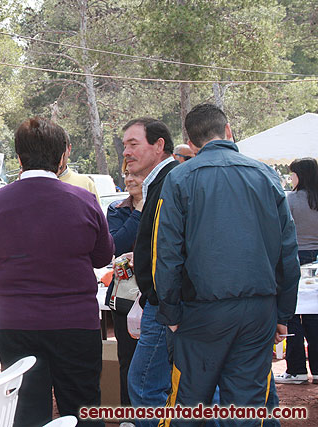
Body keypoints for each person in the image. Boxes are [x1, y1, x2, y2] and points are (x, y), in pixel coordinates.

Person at [154, 104, 299, 425]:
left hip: (201, 311)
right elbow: (287, 251)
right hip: (257, 310)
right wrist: (283, 314)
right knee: (248, 408)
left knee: (188, 405)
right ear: (229, 131)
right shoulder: (265, 175)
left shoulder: (179, 178)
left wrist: (171, 312)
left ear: (190, 143)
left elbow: (166, 255)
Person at [0, 117, 114, 427]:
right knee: (83, 409)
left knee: (26, 412)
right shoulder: (84, 200)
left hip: (16, 323)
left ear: (18, 158)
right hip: (75, 322)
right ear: (62, 157)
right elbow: (103, 256)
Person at [123, 117, 177, 427]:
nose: (127, 152)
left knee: (145, 384)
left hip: (164, 305)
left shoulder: (170, 180)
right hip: (161, 302)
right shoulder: (161, 181)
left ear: (158, 146)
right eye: (125, 146)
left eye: (133, 144)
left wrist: (155, 300)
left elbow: (173, 246)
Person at [104, 162, 145, 426]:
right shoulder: (116, 209)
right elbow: (116, 243)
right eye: (127, 174)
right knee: (127, 357)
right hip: (125, 295)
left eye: (137, 175)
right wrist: (139, 209)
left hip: (157, 294)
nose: (130, 179)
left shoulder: (165, 205)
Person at [275, 157, 318, 385]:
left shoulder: (290, 199)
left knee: (291, 314)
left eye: (292, 174)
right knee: (315, 315)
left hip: (295, 259)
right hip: (317, 262)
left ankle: (296, 369)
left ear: (299, 175)